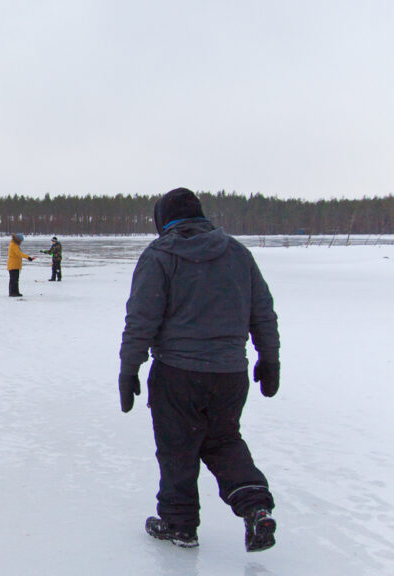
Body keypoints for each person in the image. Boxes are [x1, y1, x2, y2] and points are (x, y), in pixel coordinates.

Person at [118, 187, 281, 552]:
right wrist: (270, 359)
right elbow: (263, 313)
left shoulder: (160, 255)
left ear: (164, 219)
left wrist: (129, 369)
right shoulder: (237, 253)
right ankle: (255, 507)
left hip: (177, 373)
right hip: (230, 374)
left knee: (177, 447)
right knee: (224, 441)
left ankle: (179, 524)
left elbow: (141, 319)